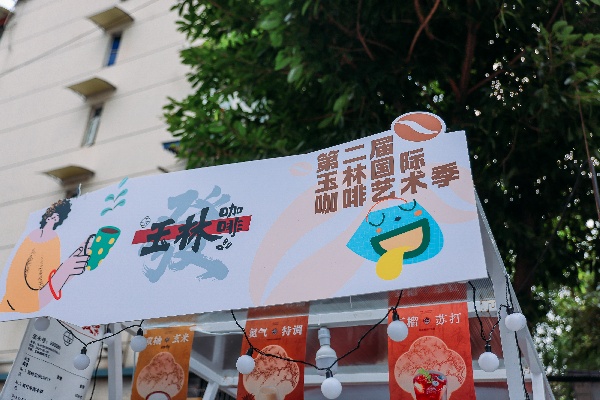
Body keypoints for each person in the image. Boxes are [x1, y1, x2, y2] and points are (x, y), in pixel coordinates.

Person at [0, 199, 89, 313]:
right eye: (52, 216)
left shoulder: (54, 239)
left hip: (35, 297)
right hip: (18, 299)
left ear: (59, 220)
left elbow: (50, 276)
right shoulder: (32, 236)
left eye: (57, 217)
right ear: (47, 217)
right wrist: (64, 272)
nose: (54, 218)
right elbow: (16, 271)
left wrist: (65, 271)